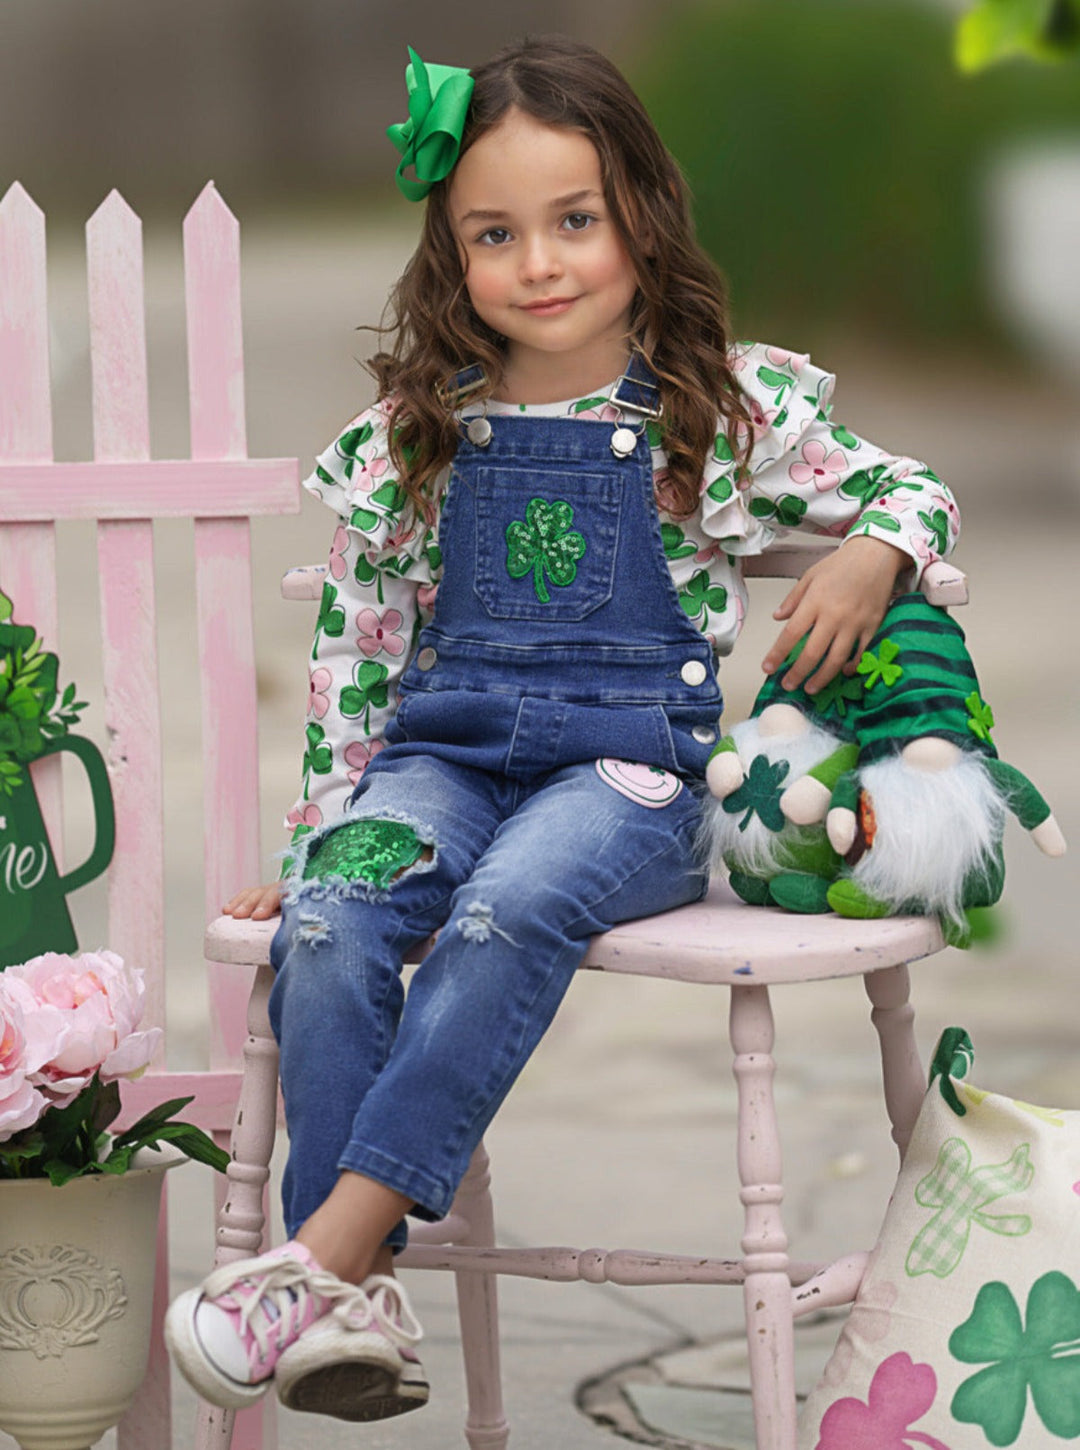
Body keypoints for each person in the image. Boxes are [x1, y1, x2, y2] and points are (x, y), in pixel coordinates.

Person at [165, 34, 960, 1424]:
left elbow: (915, 488)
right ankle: (359, 1301)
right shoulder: (417, 430)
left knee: (510, 904)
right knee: (334, 917)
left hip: (626, 776)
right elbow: (356, 650)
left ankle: (327, 1255)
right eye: (495, 233)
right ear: (450, 250)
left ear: (642, 212)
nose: (539, 263)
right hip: (441, 757)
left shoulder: (720, 408)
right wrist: (321, 837)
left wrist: (869, 553)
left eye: (575, 220)